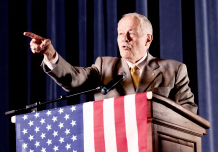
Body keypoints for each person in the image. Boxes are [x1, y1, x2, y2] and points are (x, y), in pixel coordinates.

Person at [24, 12, 198, 114]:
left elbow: (189, 113)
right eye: (121, 33)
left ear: (148, 39)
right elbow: (73, 80)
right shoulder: (104, 67)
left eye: (131, 33)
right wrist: (50, 54)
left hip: (157, 149)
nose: (125, 38)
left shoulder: (173, 70)